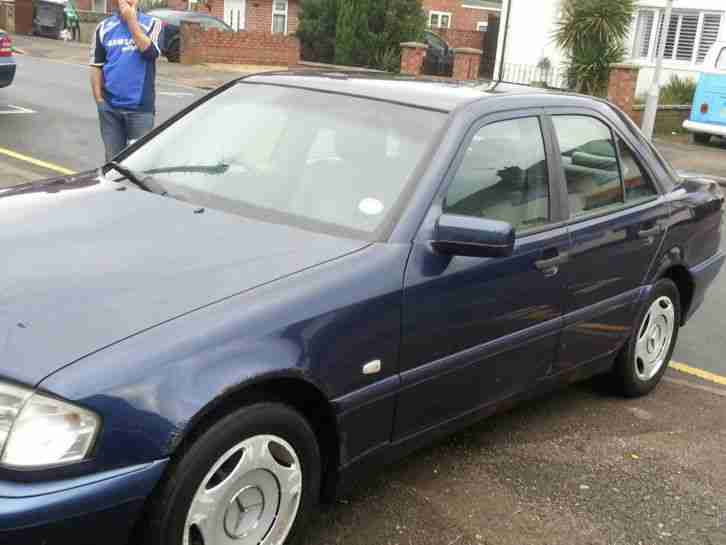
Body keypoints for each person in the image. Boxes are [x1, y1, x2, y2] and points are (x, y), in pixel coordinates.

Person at [90, 0, 163, 161]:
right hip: (110, 109)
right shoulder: (103, 28)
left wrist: (131, 21)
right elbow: (96, 65)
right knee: (113, 164)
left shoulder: (153, 24)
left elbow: (150, 52)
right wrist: (99, 101)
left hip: (140, 110)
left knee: (138, 163)